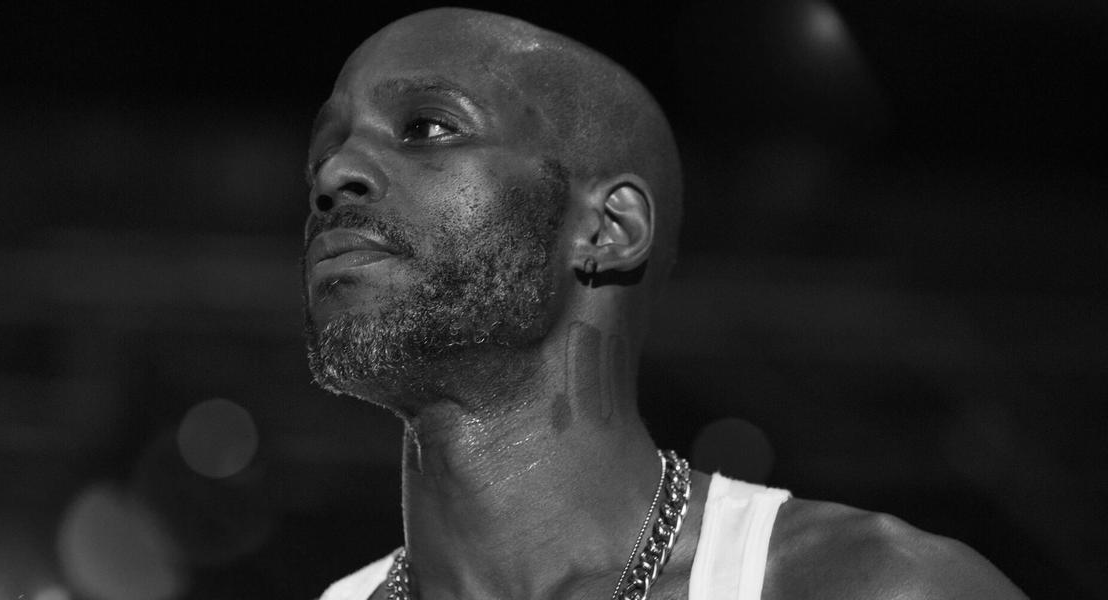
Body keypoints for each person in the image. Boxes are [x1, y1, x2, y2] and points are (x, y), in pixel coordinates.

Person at [301, 7, 1026, 600]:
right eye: (323, 153)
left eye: (427, 128)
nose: (335, 174)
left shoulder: (871, 588)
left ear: (608, 230)